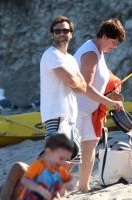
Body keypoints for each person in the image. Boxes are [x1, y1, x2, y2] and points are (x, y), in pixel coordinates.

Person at [73, 18, 125, 192]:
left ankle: (83, 187)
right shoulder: (90, 54)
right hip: (74, 110)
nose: (114, 46)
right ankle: (53, 190)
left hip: (88, 111)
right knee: (70, 152)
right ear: (104, 36)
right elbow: (84, 86)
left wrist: (114, 83)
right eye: (113, 42)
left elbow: (104, 75)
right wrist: (109, 101)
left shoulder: (99, 51)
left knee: (90, 145)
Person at [40, 15, 87, 162]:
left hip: (71, 116)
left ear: (71, 34)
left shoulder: (70, 59)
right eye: (57, 31)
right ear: (52, 34)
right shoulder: (51, 54)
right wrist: (75, 81)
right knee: (55, 160)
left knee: (71, 161)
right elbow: (73, 81)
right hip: (56, 115)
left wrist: (75, 82)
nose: (61, 34)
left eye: (65, 30)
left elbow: (83, 87)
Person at [17, 134, 75, 199]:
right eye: (61, 158)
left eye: (66, 159)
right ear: (48, 152)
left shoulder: (59, 170)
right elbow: (25, 180)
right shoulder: (39, 166)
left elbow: (71, 177)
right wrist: (39, 189)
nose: (64, 162)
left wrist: (70, 183)